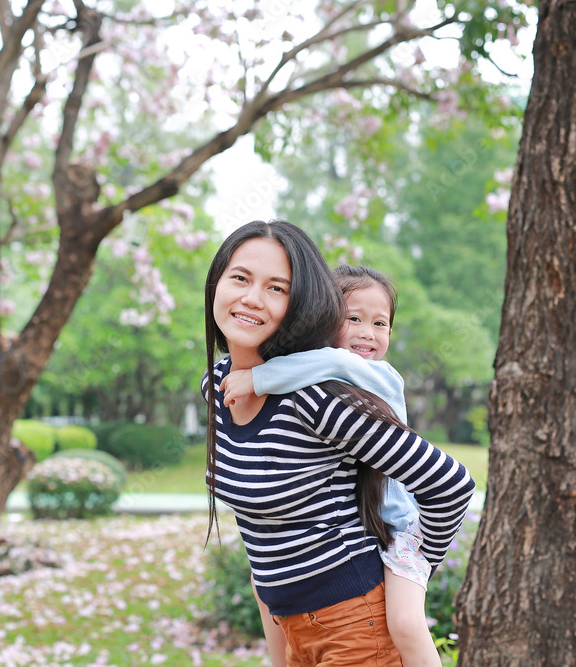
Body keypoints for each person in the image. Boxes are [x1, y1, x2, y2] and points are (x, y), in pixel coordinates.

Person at [202, 219, 475, 666]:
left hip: (355, 627)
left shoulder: (319, 398)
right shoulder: (217, 384)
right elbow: (258, 529)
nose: (252, 298)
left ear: (303, 304)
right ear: (216, 284)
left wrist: (414, 561)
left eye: (277, 288)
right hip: (288, 624)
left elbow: (449, 484)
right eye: (240, 278)